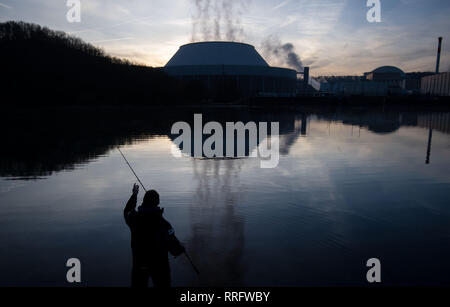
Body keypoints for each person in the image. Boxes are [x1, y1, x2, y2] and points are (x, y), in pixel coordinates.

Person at [124, 184, 185, 288]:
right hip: (160, 267)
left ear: (143, 201)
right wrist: (181, 248)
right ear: (157, 203)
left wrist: (134, 195)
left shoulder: (134, 219)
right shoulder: (164, 224)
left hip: (140, 266)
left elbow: (127, 211)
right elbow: (175, 249)